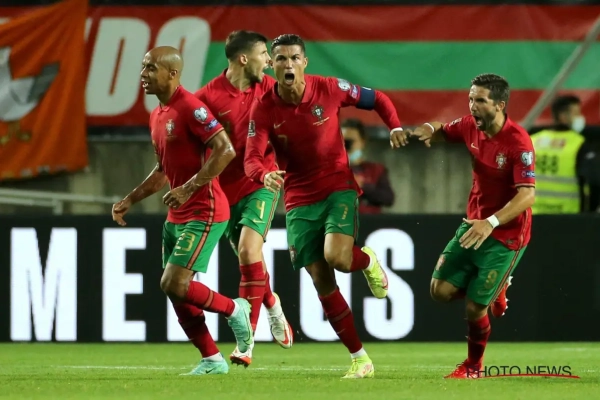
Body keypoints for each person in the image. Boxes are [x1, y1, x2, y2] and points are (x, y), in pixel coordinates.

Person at [244, 34, 407, 379]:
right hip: (298, 199)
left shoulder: (330, 88)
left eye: (294, 57)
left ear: (305, 62)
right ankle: (360, 359)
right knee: (321, 279)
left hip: (337, 188)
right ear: (272, 65)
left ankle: (367, 260)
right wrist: (263, 174)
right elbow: (251, 157)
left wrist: (394, 126)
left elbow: (377, 98)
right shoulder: (264, 108)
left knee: (338, 258)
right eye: (281, 59)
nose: (288, 64)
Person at [111, 46, 253, 376]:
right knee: (175, 291)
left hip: (205, 209)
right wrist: (131, 198)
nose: (143, 74)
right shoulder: (157, 114)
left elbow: (226, 150)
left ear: (173, 74)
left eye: (151, 68)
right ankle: (212, 359)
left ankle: (236, 310)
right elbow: (163, 170)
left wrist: (188, 188)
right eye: (143, 67)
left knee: (174, 282)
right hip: (178, 215)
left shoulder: (192, 108)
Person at [395, 73, 535, 379]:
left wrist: (491, 222)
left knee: (474, 308)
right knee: (439, 291)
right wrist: (428, 129)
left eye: (480, 100)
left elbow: (528, 195)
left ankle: (473, 366)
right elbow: (443, 130)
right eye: (470, 99)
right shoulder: (471, 126)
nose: (472, 106)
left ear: (499, 105)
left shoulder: (518, 142)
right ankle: (494, 289)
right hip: (474, 224)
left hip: (506, 235)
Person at [195, 30, 292, 367]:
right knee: (250, 262)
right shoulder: (207, 98)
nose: (269, 61)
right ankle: (272, 303)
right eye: (264, 54)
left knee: (250, 251)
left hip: (262, 181)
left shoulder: (272, 90)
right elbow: (193, 144)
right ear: (243, 59)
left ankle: (245, 342)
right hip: (223, 191)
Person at [341, 118, 395, 213]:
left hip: (369, 219)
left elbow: (388, 199)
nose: (346, 145)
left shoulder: (376, 170)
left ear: (362, 142)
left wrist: (363, 186)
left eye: (350, 142)